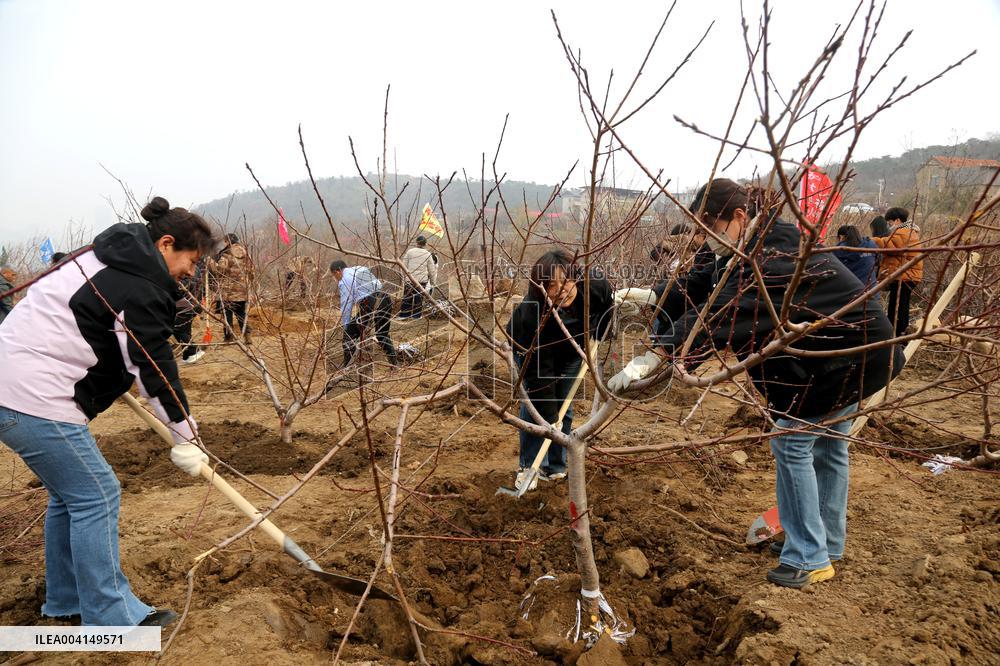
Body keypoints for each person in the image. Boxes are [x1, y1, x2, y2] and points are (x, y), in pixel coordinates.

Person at [610, 179, 902, 589]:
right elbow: (703, 284)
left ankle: (808, 556)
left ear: (739, 218)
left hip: (848, 359)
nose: (704, 240)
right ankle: (825, 544)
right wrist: (650, 295)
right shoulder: (752, 247)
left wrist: (655, 355)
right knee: (829, 448)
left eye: (709, 228)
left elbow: (725, 312)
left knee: (791, 441)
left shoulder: (774, 259)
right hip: (854, 356)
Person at [0, 196, 215, 626]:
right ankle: (112, 615)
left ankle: (67, 601)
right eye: (190, 261)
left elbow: (105, 336)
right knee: (97, 494)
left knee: (70, 498)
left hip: (15, 387)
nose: (192, 272)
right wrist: (185, 435)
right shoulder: (139, 283)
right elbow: (153, 364)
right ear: (166, 244)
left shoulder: (103, 258)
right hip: (34, 396)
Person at [506, 251, 614, 489]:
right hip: (533, 350)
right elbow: (538, 376)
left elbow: (608, 305)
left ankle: (555, 466)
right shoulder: (532, 311)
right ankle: (529, 466)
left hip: (574, 348)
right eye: (551, 285)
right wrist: (549, 416)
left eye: (565, 281)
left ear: (575, 276)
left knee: (564, 404)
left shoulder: (595, 284)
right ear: (541, 287)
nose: (560, 289)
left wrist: (598, 332)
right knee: (539, 407)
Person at [329, 259, 398, 367]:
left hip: (369, 302)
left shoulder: (344, 279)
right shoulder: (361, 268)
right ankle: (395, 365)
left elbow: (346, 304)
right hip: (385, 299)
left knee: (349, 335)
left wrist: (346, 325)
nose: (336, 279)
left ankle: (347, 368)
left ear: (337, 271)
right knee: (382, 334)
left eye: (334, 276)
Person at [873, 207, 922, 337]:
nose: (889, 226)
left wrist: (872, 241)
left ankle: (895, 335)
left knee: (897, 308)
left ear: (897, 220)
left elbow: (890, 246)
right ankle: (900, 334)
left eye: (890, 222)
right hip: (908, 275)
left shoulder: (904, 232)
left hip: (904, 276)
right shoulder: (909, 231)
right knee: (901, 307)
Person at [209, 233, 253, 343]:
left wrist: (210, 263)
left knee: (227, 315)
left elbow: (220, 271)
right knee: (241, 314)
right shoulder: (246, 254)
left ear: (228, 242)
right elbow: (252, 272)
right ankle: (247, 336)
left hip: (228, 292)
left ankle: (229, 337)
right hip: (242, 291)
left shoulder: (227, 254)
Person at [173, 260, 207, 364]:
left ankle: (193, 351)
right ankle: (187, 355)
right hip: (195, 303)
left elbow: (183, 286)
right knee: (185, 329)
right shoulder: (195, 267)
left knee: (177, 329)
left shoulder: (183, 266)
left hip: (186, 304)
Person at [399, 236, 438, 319]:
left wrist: (405, 277)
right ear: (425, 244)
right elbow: (432, 270)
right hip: (422, 280)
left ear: (416, 242)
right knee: (418, 299)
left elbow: (403, 265)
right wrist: (433, 283)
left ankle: (404, 315)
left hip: (410, 279)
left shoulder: (410, 252)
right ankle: (416, 316)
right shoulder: (428, 254)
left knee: (407, 297)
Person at [832, 225, 878, 291]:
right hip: (872, 291)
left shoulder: (839, 250)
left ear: (841, 237)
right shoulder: (870, 244)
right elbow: (879, 260)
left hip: (852, 293)